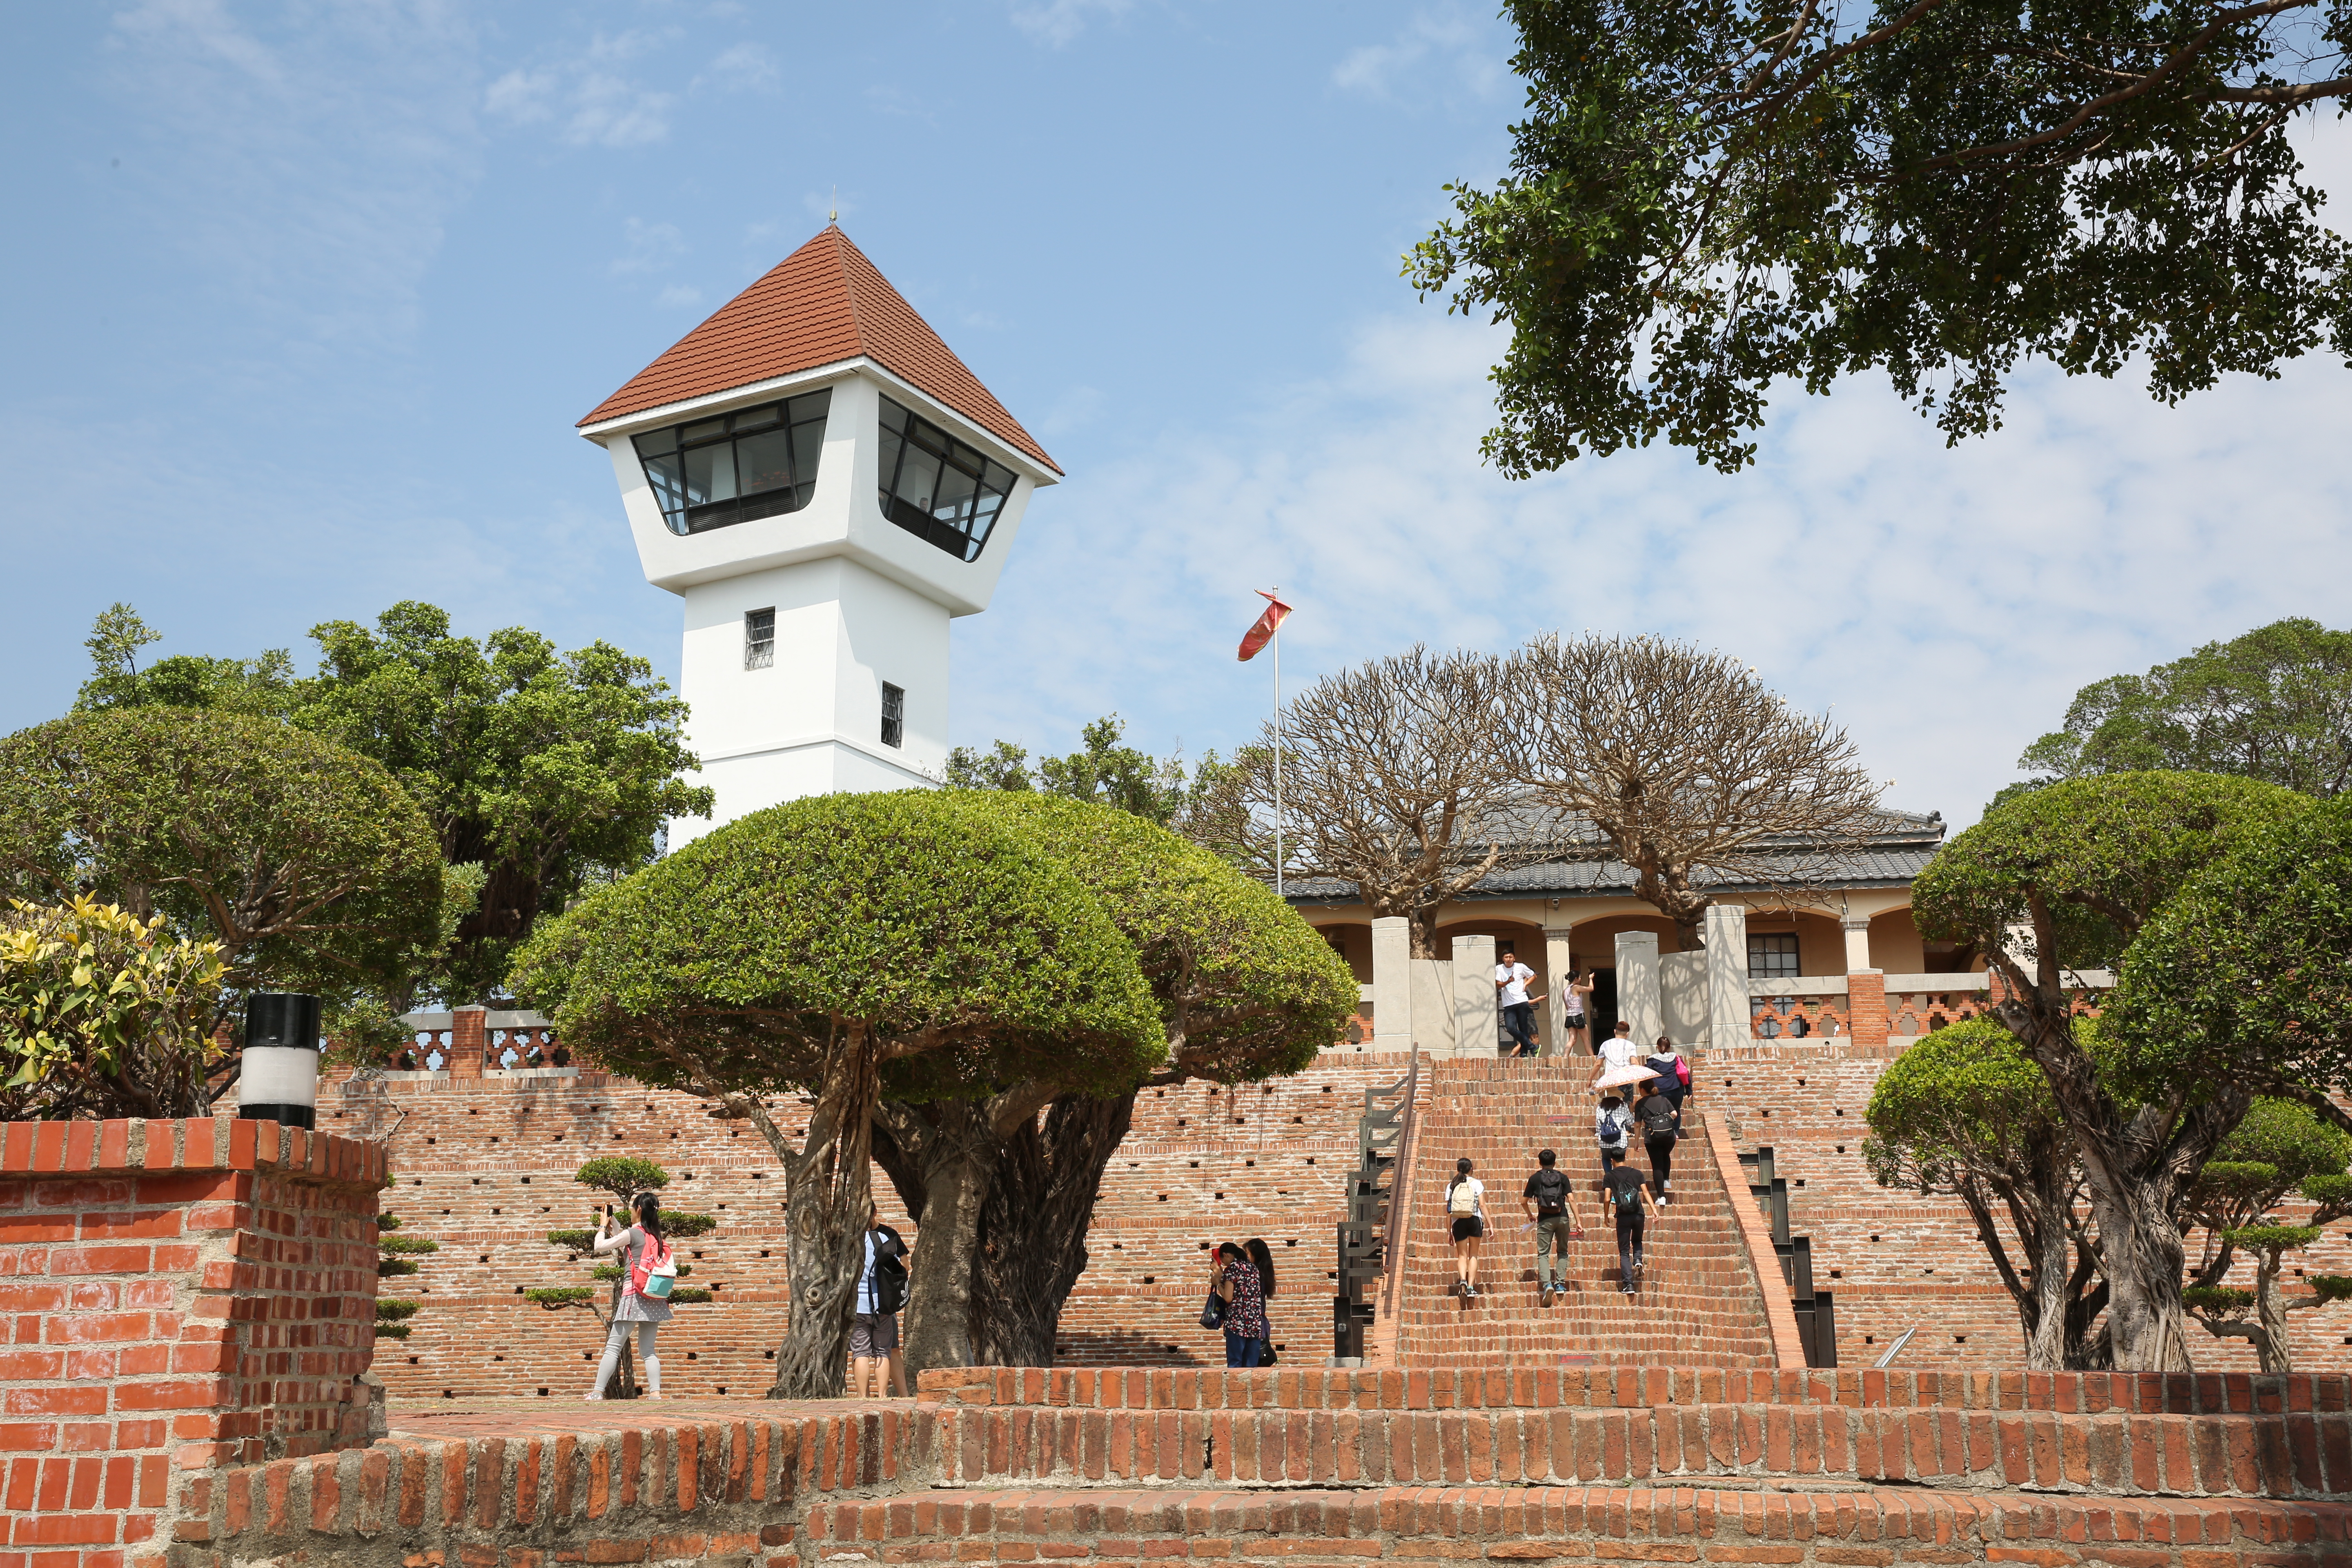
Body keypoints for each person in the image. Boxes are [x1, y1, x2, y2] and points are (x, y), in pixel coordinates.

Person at [586, 1192, 670, 1400]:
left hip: (633, 1296)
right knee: (649, 1350)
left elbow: (600, 1246)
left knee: (613, 1347)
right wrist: (612, 1221)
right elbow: (626, 1243)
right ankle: (656, 1393)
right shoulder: (656, 1237)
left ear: (639, 1209)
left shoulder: (633, 1233)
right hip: (654, 1296)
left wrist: (602, 1227)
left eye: (633, 1208)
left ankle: (597, 1393)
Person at [852, 1200, 911, 1397]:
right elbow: (902, 1267)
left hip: (858, 1306)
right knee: (883, 1352)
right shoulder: (885, 1239)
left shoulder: (850, 1240)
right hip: (883, 1305)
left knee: (860, 1353)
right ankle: (882, 1396)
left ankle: (862, 1397)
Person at [1521, 1148, 1577, 1306]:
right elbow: (1572, 1199)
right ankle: (1560, 1284)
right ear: (1555, 1162)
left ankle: (1547, 1285)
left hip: (1545, 1219)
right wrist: (1579, 1221)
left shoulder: (1535, 1178)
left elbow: (1523, 1201)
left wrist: (1530, 1215)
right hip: (1562, 1218)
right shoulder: (1562, 1177)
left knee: (1543, 1254)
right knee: (1563, 1252)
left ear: (1540, 1162)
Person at [1598, 1152, 1656, 1295]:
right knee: (1637, 1240)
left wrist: (1606, 1216)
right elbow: (1645, 1192)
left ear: (1612, 1160)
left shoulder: (1610, 1176)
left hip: (1623, 1216)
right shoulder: (1637, 1173)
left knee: (1624, 1251)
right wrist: (1654, 1210)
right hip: (1639, 1214)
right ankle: (1638, 1259)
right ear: (1625, 1157)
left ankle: (1629, 1285)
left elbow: (1607, 1199)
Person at [1211, 1241, 1269, 1365]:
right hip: (1254, 1323)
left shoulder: (1232, 1269)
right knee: (1251, 1366)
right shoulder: (1253, 1268)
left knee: (1235, 1364)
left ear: (1226, 1255)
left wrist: (1217, 1283)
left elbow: (1228, 1297)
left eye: (1223, 1260)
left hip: (1237, 1324)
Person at [1633, 1075, 1681, 1205]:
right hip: (1669, 1137)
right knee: (1665, 1155)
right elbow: (1675, 1114)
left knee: (1657, 1165)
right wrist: (1664, 1121)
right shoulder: (1664, 1100)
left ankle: (1662, 1197)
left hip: (1653, 1138)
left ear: (1642, 1090)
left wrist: (1636, 1142)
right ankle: (1666, 1180)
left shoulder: (1640, 1104)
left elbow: (1637, 1125)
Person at [1443, 1157, 1487, 1297]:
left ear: (1458, 1170)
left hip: (1458, 1221)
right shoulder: (1477, 1184)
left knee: (1462, 1255)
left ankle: (1462, 1280)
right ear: (1471, 1169)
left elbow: (1449, 1210)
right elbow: (1482, 1205)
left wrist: (1449, 1231)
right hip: (1474, 1219)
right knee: (1473, 1255)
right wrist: (1491, 1224)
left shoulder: (1452, 1185)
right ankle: (1470, 1288)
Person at [1645, 1037, 1693, 1140]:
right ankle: (1675, 1133)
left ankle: (1660, 1131)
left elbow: (1647, 1077)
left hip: (1659, 1091)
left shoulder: (1652, 1060)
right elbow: (1684, 1073)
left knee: (1659, 1112)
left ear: (1658, 1047)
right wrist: (1689, 1090)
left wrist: (1646, 1092)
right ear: (1670, 1047)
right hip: (1676, 1089)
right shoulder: (1676, 1058)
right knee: (1676, 1110)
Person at [1495, 944, 1538, 1057]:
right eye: (1506, 957)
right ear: (1503, 959)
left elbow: (1533, 976)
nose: (1508, 959)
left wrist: (1526, 984)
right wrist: (1508, 982)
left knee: (1524, 1029)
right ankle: (1532, 1046)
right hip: (1509, 1004)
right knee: (1511, 1028)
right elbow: (1498, 984)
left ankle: (1524, 1053)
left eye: (1510, 957)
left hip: (1522, 1001)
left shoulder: (1521, 967)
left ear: (1514, 958)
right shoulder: (1499, 969)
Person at [1245, 1237, 1278, 1363]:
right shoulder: (1263, 1274)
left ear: (1256, 1255)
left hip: (1254, 1326)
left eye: (1247, 1253)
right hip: (1260, 1325)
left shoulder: (1256, 1276)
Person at [1594, 1095, 1633, 1178]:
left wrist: (1599, 1134)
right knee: (1619, 1160)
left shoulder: (1600, 1107)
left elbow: (1598, 1126)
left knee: (1606, 1158)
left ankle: (1609, 1178)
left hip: (1604, 1141)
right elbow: (1631, 1122)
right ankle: (1619, 1179)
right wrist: (1632, 1111)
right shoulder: (1623, 1106)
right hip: (1620, 1141)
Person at [1562, 969, 1595, 1057]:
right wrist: (1591, 979)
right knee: (1586, 1039)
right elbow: (1591, 988)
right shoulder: (1576, 987)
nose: (1581, 979)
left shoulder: (1565, 991)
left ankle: (1565, 1057)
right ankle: (1592, 1058)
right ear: (1576, 979)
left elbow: (1567, 1006)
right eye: (1580, 978)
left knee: (1572, 1039)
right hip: (1578, 1015)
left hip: (1570, 1016)